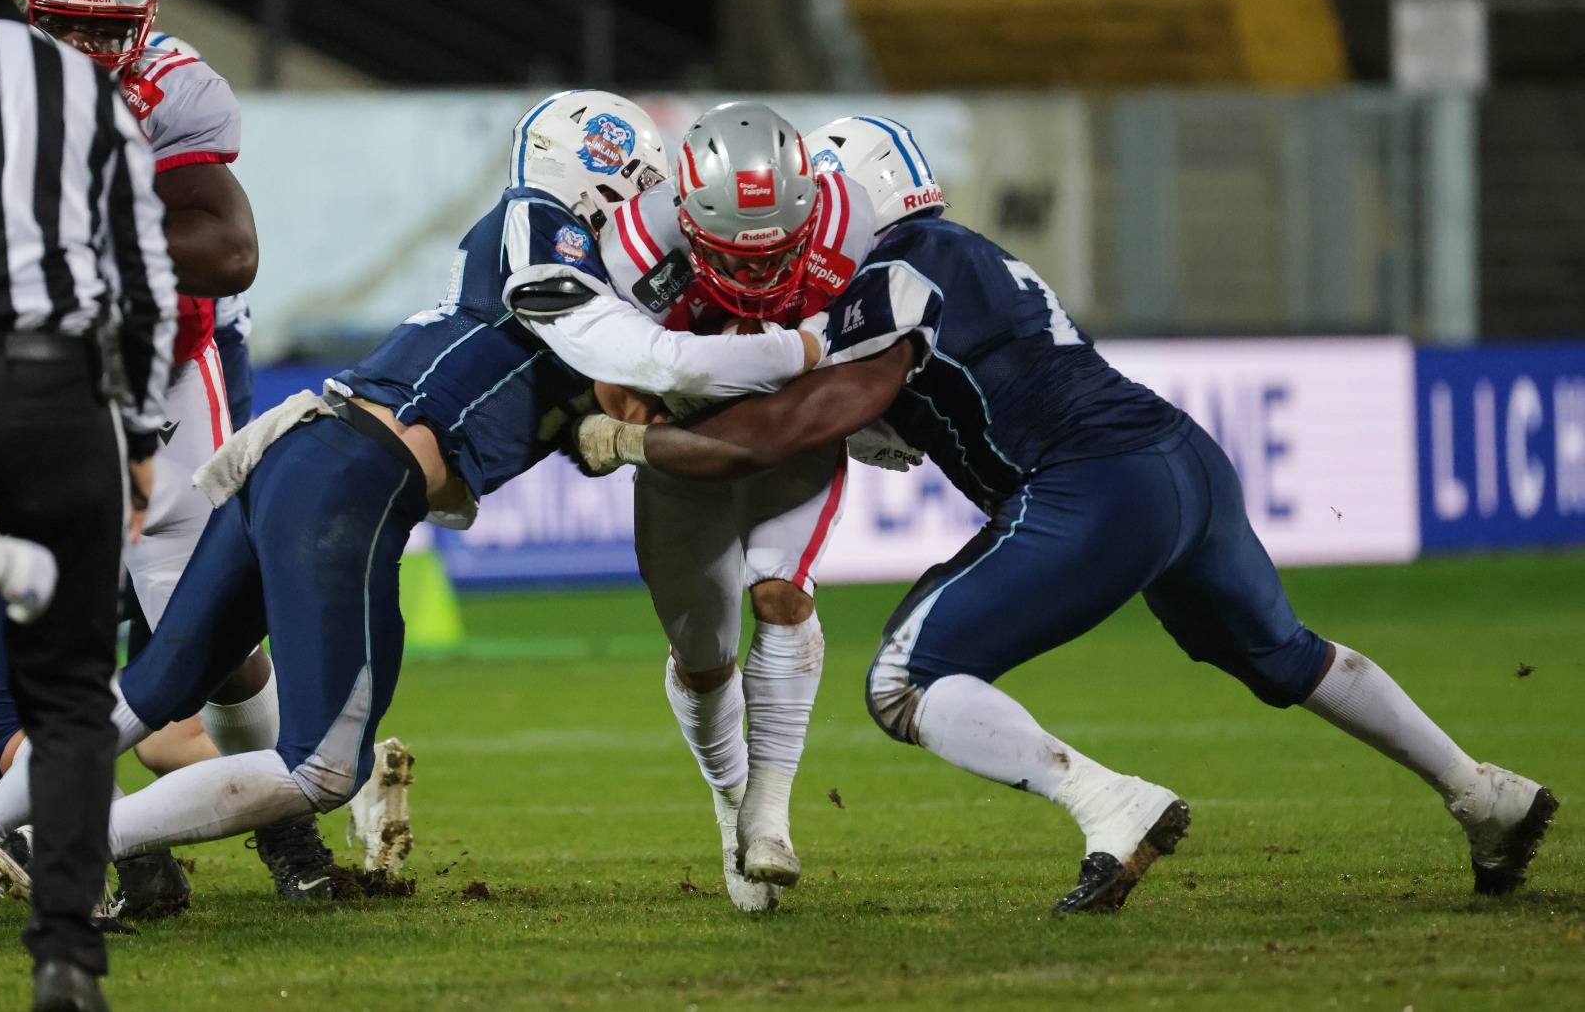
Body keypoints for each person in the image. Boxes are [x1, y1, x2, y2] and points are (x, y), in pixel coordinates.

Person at [574, 115, 1559, 913]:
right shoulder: (960, 255)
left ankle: (1110, 802)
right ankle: (1481, 792)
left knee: (901, 680)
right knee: (1285, 653)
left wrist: (633, 440)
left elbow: (782, 430)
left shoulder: (894, 274)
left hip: (1094, 483)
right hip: (1182, 461)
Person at [0, 90, 829, 880]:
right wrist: (799, 350)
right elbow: (643, 361)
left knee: (148, 693)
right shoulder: (556, 258)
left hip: (302, 450)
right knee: (322, 766)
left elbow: (605, 405)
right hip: (352, 483)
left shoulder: (542, 261)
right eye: (641, 186)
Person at [0, 0, 317, 909]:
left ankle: (286, 820)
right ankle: (127, 844)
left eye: (109, 32)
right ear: (25, 10)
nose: (92, 53)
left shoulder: (175, 87)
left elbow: (229, 250)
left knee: (206, 637)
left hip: (164, 374)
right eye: (70, 29)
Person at [592, 101, 875, 910]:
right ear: (689, 221)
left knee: (782, 593)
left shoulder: (850, 220)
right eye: (733, 260)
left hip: (795, 432)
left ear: (810, 210)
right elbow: (621, 401)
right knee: (704, 656)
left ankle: (769, 814)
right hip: (687, 454)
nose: (756, 278)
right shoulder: (636, 249)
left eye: (776, 255)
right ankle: (731, 800)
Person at [0, 0, 178, 1003]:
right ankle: (65, 950)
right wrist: (144, 431)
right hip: (55, 394)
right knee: (67, 698)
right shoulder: (74, 84)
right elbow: (144, 272)